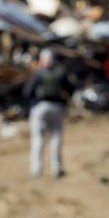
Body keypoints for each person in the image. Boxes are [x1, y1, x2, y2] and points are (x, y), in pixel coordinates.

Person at [23, 48, 75, 178]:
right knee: (56, 138)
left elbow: (27, 92)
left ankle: (36, 170)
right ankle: (56, 169)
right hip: (58, 107)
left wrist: (30, 106)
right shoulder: (61, 73)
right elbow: (70, 89)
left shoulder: (38, 74)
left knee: (38, 139)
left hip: (40, 107)